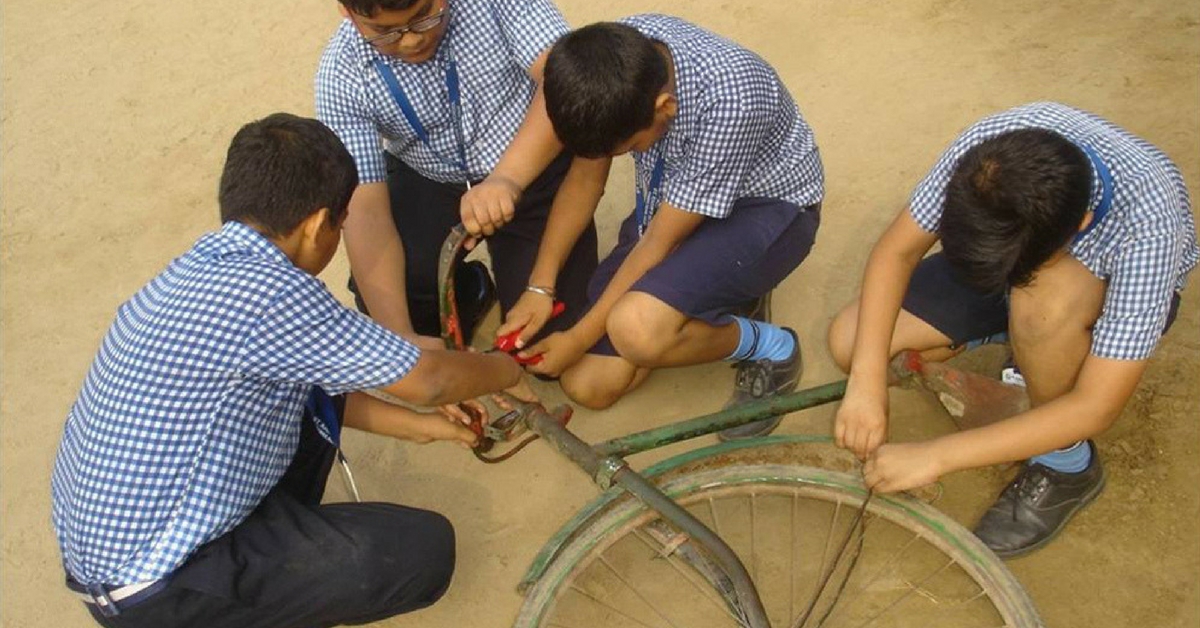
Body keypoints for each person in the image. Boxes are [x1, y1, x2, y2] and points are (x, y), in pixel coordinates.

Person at [51, 113, 533, 628]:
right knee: (420, 550)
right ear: (315, 225)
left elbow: (313, 391)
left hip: (109, 550)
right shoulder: (275, 294)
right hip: (156, 587)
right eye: (341, 226)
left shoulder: (204, 264)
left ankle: (262, 566)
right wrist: (505, 369)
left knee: (295, 401)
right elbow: (430, 380)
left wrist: (423, 428)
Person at [828, 101, 1198, 557]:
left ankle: (1066, 464)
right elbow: (896, 253)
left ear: (1079, 226)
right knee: (850, 342)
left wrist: (936, 455)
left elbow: (1096, 406)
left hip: (1086, 291)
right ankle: (1018, 342)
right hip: (1017, 251)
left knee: (1042, 303)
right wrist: (865, 382)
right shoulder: (991, 154)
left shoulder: (1148, 225)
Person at [497, 18, 824, 440]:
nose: (630, 154)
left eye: (630, 148)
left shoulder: (733, 100)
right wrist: (540, 287)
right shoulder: (609, 61)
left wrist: (577, 338)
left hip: (767, 210)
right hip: (671, 202)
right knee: (587, 386)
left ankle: (772, 346)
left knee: (636, 329)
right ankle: (712, 300)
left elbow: (659, 243)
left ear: (665, 106)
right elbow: (583, 181)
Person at [315, 0, 598, 351]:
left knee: (544, 341)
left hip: (531, 161)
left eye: (424, 17)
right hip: (429, 177)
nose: (410, 41)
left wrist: (506, 179)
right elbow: (366, 211)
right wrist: (402, 344)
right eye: (385, 33)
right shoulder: (340, 74)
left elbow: (567, 83)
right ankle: (469, 292)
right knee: (397, 308)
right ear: (347, 12)